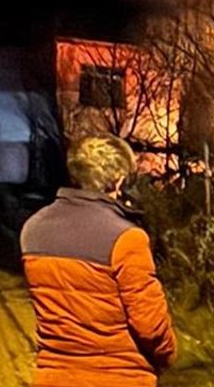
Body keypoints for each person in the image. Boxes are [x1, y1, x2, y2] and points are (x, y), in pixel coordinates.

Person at [20, 133, 177, 386]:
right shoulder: (126, 238)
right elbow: (150, 325)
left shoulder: (33, 229)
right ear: (118, 180)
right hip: (119, 377)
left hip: (55, 376)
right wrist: (167, 356)